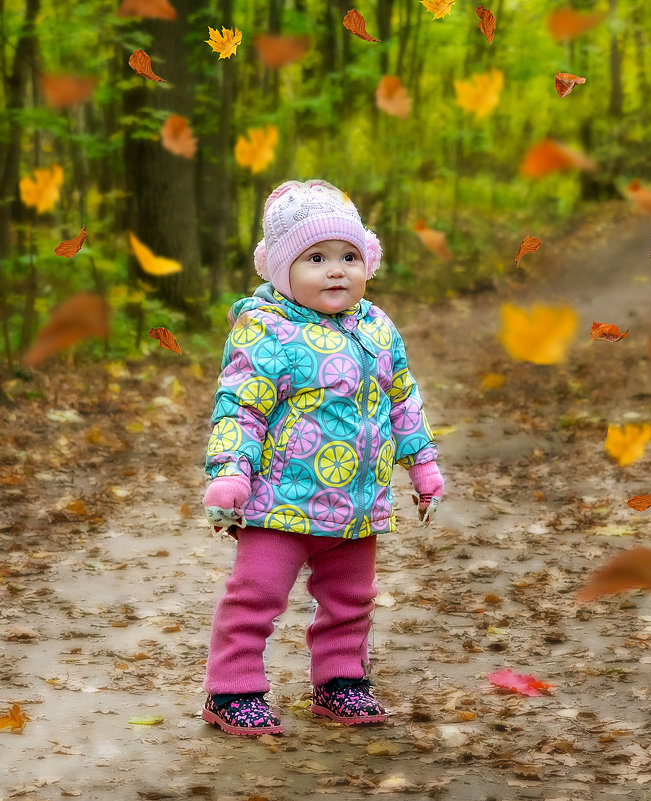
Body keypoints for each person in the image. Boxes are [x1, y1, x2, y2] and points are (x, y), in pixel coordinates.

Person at [199, 179, 445, 736]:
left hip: (358, 503)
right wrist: (231, 473)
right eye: (316, 258)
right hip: (279, 504)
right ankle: (231, 689)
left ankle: (341, 682)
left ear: (368, 263)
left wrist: (422, 464)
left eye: (349, 256)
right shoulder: (269, 330)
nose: (337, 270)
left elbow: (401, 398)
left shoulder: (377, 328)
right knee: (255, 598)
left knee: (351, 600)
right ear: (281, 270)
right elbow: (239, 408)